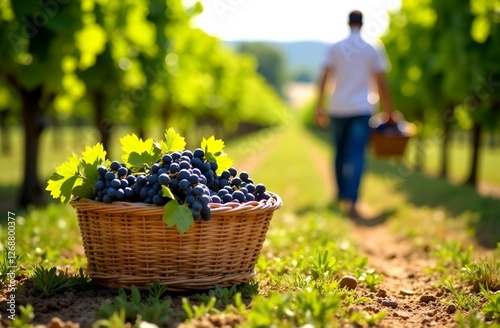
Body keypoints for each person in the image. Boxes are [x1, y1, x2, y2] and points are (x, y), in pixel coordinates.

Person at [315, 10, 396, 218]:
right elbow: (380, 81)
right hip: (361, 109)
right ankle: (352, 199)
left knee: (339, 152)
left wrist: (319, 106)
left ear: (348, 23)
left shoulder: (334, 48)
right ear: (362, 23)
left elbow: (324, 77)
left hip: (338, 107)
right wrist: (389, 111)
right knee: (357, 153)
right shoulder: (372, 48)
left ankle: (341, 194)